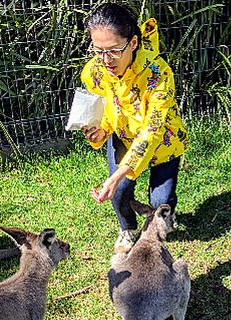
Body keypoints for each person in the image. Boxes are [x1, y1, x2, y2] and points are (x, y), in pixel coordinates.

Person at [80, 2, 188, 253]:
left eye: (114, 51)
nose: (106, 60)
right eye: (98, 51)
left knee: (161, 201)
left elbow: (152, 131)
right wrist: (99, 132)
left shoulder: (158, 74)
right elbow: (105, 114)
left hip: (163, 143)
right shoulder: (93, 72)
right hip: (123, 139)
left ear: (134, 42)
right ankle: (127, 229)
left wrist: (116, 175)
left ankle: (163, 219)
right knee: (119, 194)